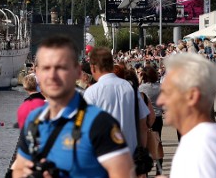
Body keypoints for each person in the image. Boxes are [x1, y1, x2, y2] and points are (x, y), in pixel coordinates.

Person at [11, 35, 133, 178]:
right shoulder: (34, 120)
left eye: (61, 67)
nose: (52, 75)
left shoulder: (100, 124)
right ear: (36, 72)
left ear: (77, 71)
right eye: (46, 68)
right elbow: (18, 169)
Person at [157, 53, 216, 178]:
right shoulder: (205, 139)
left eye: (167, 92)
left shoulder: (201, 146)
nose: (160, 101)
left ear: (192, 96)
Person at [84, 47, 149, 156]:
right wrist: (141, 154)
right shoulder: (131, 88)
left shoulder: (91, 92)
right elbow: (143, 125)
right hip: (131, 155)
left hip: (104, 157)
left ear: (93, 68)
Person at [139, 65, 164, 175]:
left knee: (146, 144)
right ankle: (159, 169)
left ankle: (146, 171)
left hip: (147, 117)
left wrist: (139, 80)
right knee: (157, 142)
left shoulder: (142, 88)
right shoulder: (160, 87)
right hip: (158, 117)